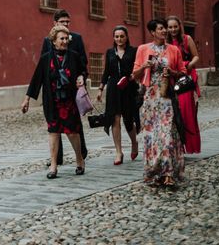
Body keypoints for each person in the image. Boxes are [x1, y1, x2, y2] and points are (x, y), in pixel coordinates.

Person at [22, 25, 87, 179]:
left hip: (69, 101)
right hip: (52, 101)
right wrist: (27, 99)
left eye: (66, 38)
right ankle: (53, 165)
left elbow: (83, 71)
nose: (64, 41)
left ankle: (79, 159)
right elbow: (36, 79)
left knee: (72, 133)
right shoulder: (46, 58)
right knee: (53, 132)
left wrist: (81, 77)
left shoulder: (74, 56)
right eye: (61, 39)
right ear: (53, 41)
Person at [132, 18, 187, 187]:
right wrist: (144, 67)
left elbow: (183, 72)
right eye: (161, 29)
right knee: (151, 136)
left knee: (167, 134)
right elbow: (135, 74)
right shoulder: (143, 49)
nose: (164, 31)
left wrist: (172, 72)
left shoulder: (173, 50)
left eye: (165, 28)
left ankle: (168, 173)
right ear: (153, 32)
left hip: (167, 97)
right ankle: (153, 172)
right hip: (150, 98)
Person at [40, 9, 88, 165]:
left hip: (72, 87)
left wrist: (82, 77)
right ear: (55, 24)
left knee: (74, 125)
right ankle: (57, 158)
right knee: (54, 126)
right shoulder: (48, 41)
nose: (66, 24)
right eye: (62, 22)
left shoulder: (77, 39)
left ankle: (81, 153)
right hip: (54, 89)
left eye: (68, 22)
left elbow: (83, 63)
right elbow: (43, 63)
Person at [96, 26, 139, 165]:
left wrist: (133, 77)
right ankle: (118, 151)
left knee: (128, 119)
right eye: (116, 36)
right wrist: (100, 89)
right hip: (114, 87)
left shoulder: (133, 51)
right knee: (115, 119)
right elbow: (106, 72)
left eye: (122, 36)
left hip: (128, 87)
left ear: (126, 37)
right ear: (113, 38)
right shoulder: (110, 52)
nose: (119, 39)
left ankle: (134, 143)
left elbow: (137, 69)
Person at [167, 15, 201, 154]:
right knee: (173, 114)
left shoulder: (187, 39)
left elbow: (196, 56)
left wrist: (189, 65)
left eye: (175, 26)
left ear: (179, 26)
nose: (173, 29)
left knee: (186, 112)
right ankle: (177, 147)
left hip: (185, 79)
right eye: (170, 27)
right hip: (171, 77)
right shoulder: (165, 42)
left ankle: (190, 145)